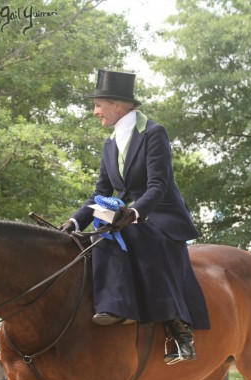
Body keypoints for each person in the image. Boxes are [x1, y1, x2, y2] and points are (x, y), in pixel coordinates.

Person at [61, 69, 210, 364]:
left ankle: (180, 331)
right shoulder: (109, 143)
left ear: (117, 104)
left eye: (98, 105)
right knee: (97, 234)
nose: (95, 112)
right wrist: (75, 221)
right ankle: (115, 307)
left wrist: (134, 212)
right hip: (125, 211)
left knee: (133, 234)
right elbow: (101, 192)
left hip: (160, 213)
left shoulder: (154, 133)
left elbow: (159, 185)